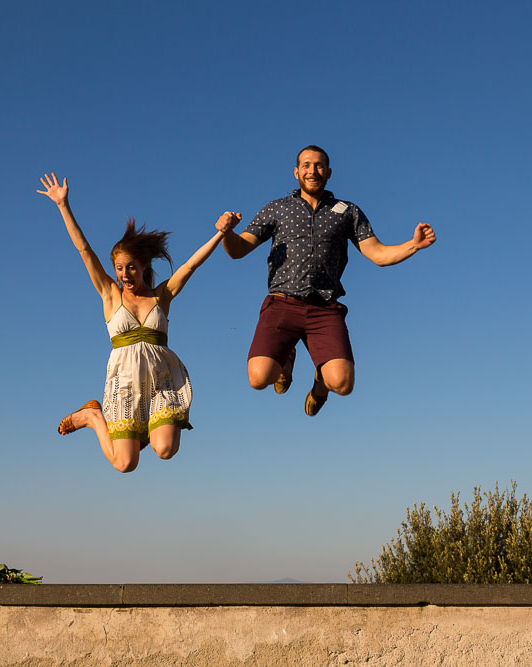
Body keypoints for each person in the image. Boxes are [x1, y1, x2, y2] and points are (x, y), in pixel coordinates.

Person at [37, 172, 240, 473]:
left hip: (161, 381)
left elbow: (191, 264)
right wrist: (63, 205)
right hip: (125, 384)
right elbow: (84, 251)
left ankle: (145, 428)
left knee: (166, 449)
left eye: (131, 267)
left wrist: (221, 234)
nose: (125, 274)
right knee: (125, 463)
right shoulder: (110, 295)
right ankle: (92, 417)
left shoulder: (162, 296)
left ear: (144, 266)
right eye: (119, 268)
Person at [216, 145, 436, 416]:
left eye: (319, 165)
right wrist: (226, 233)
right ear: (296, 172)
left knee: (342, 383)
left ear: (329, 172)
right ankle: (286, 358)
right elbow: (238, 250)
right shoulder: (277, 209)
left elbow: (377, 254)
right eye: (306, 165)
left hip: (324, 308)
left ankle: (319, 385)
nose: (312, 170)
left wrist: (413, 245)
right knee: (259, 379)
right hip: (282, 305)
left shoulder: (347, 211)